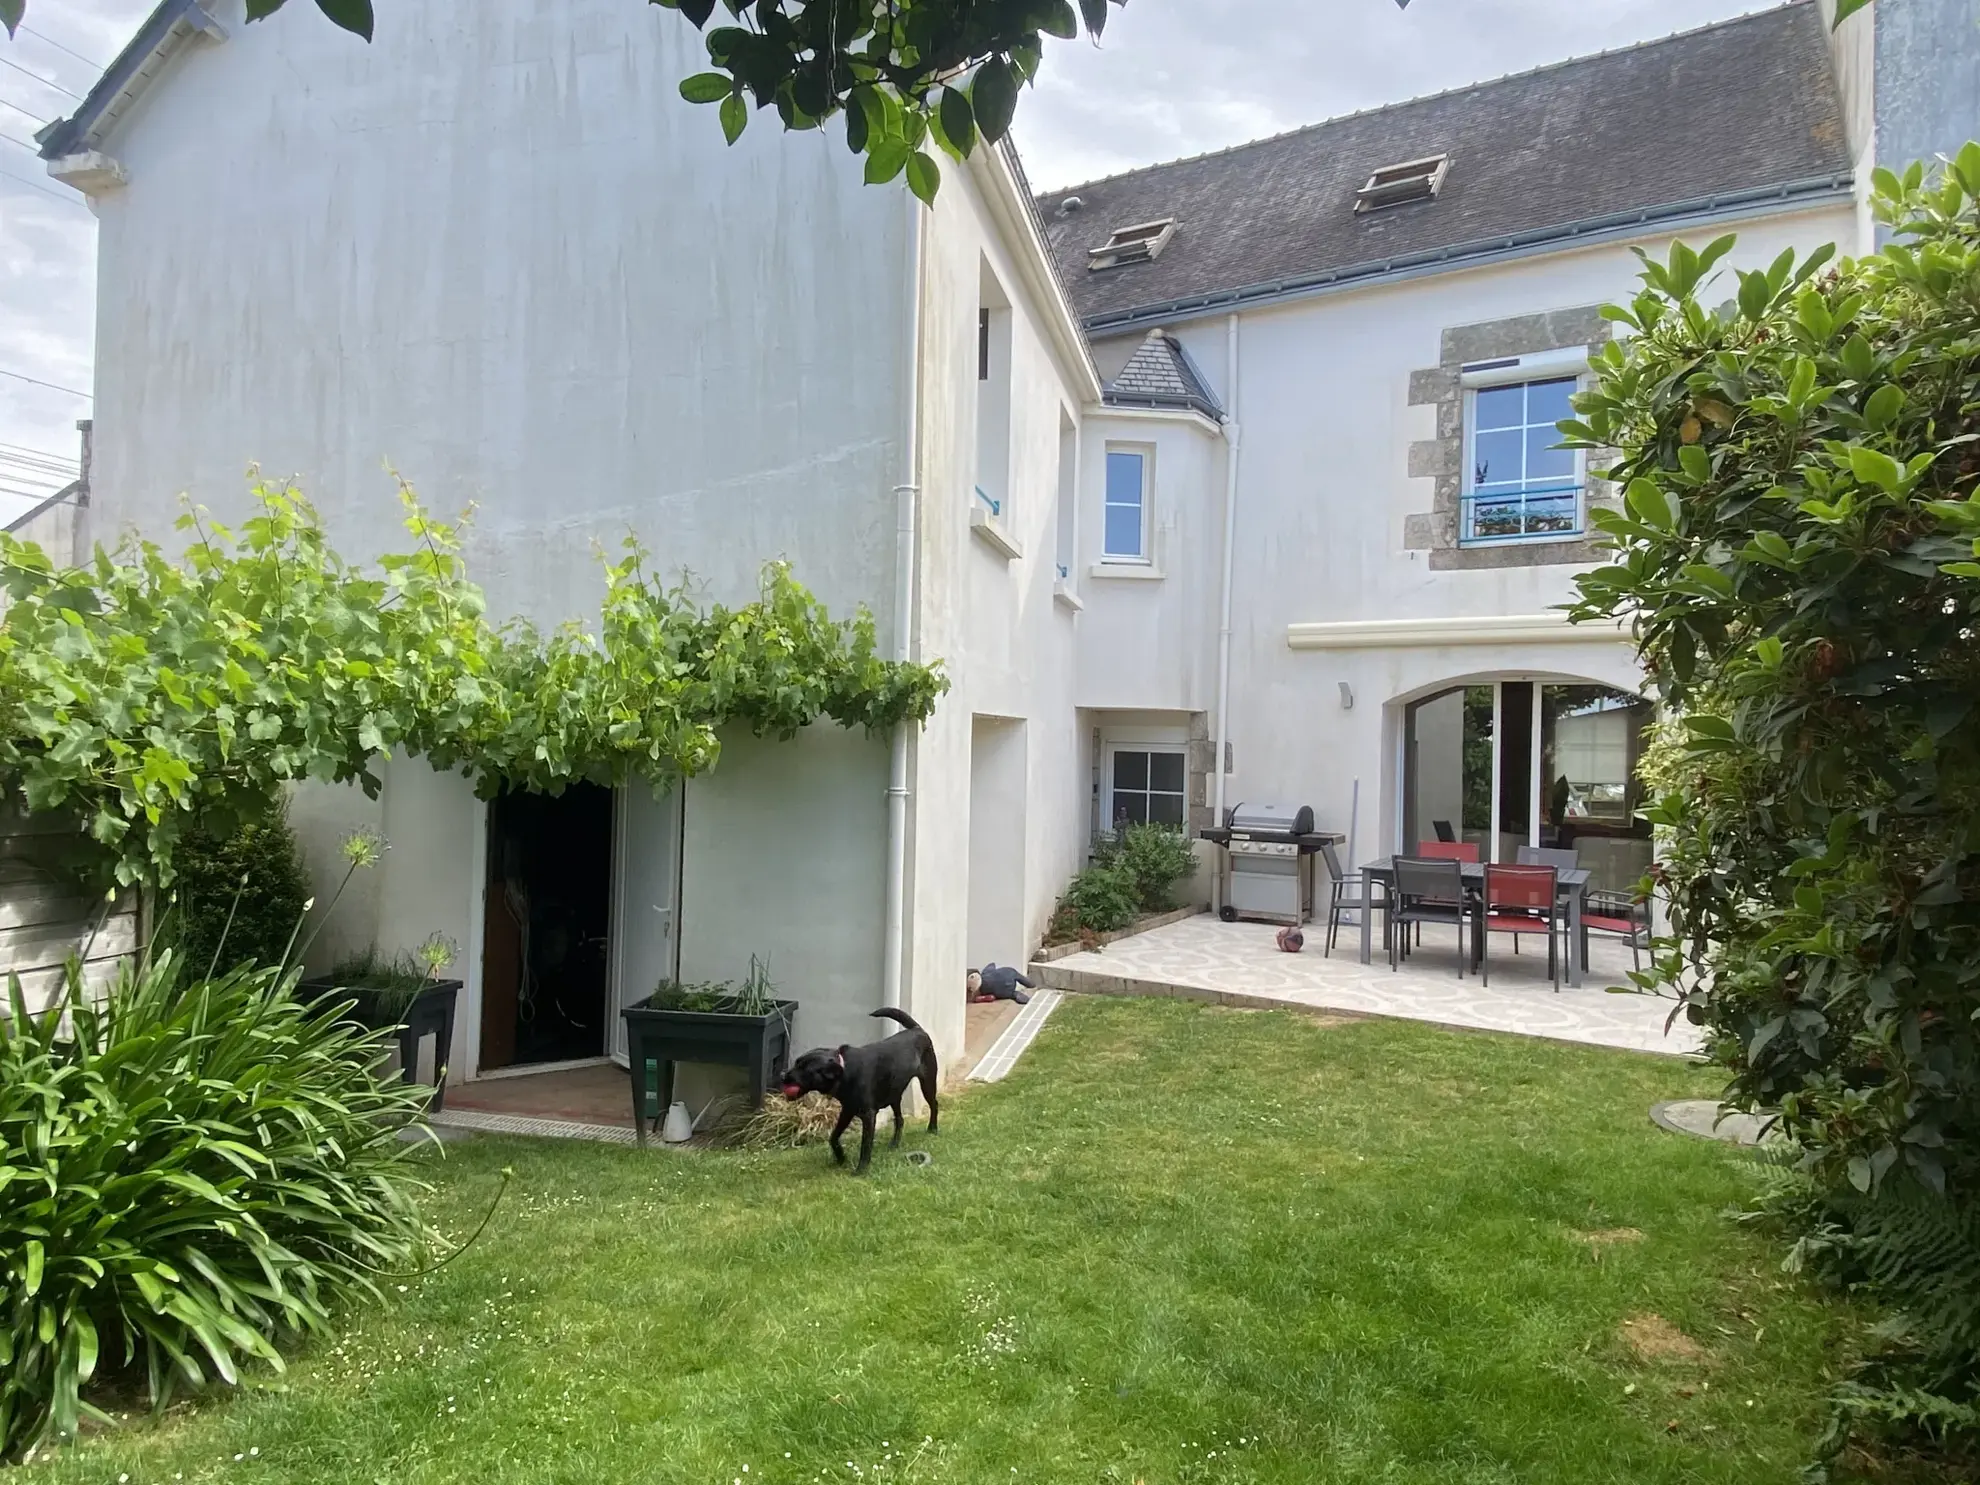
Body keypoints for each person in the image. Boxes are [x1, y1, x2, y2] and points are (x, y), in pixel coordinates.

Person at [966, 963, 1033, 1005]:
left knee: (1010, 993)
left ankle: (1015, 994)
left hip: (1007, 991)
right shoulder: (986, 973)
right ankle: (1030, 984)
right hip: (1009, 974)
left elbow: (991, 997)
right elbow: (991, 965)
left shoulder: (984, 991)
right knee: (1014, 974)